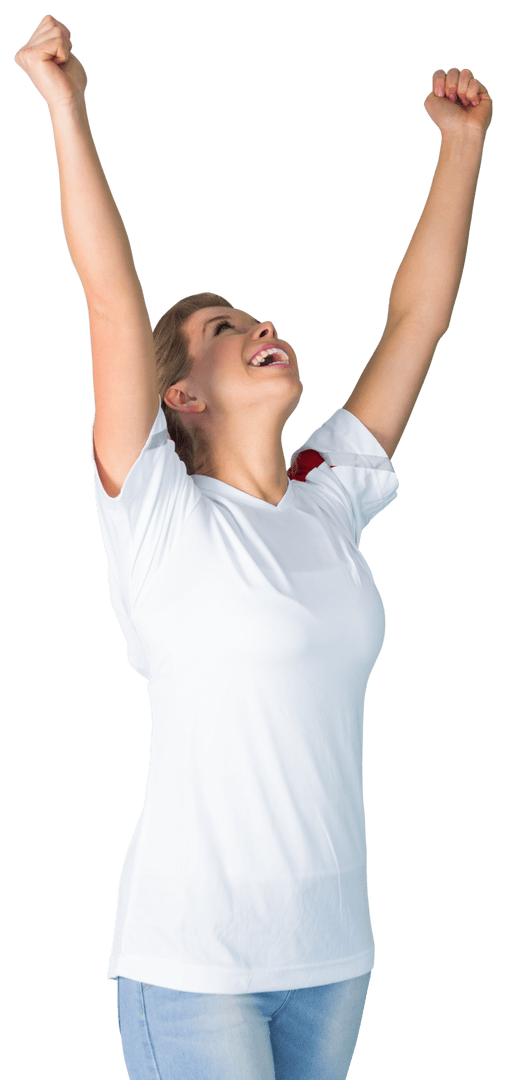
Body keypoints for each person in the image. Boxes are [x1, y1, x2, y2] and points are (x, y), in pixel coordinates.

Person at [14, 14, 493, 1080]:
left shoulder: (324, 499)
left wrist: (463, 150)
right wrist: (68, 106)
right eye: (224, 328)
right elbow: (109, 300)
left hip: (335, 954)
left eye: (256, 315)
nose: (257, 323)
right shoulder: (157, 512)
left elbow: (415, 321)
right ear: (181, 394)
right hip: (195, 962)